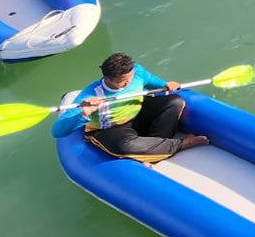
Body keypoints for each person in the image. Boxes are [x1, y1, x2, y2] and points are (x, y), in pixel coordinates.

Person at [50, 52, 208, 161]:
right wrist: (83, 114)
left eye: (130, 77)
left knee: (175, 102)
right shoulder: (90, 95)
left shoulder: (136, 72)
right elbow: (57, 131)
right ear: (107, 78)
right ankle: (181, 144)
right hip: (110, 129)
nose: (128, 82)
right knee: (124, 146)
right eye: (123, 81)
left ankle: (154, 149)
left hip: (137, 114)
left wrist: (167, 85)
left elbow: (153, 82)